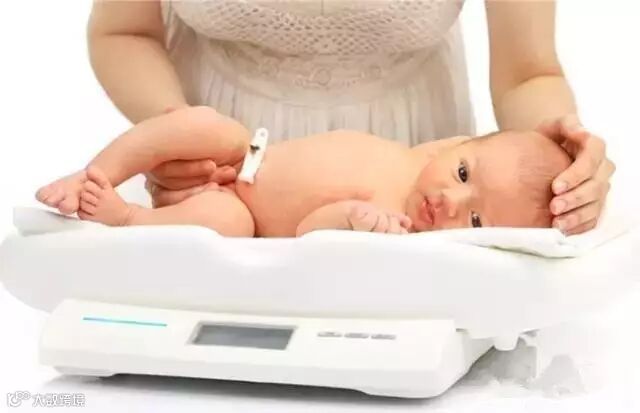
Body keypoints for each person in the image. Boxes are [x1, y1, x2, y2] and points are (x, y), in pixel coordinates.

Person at [87, 0, 614, 235]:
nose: (458, 198)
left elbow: (527, 72)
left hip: (409, 195)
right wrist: (174, 134)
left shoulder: (444, 198)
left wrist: (563, 174)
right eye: (462, 177)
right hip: (207, 165)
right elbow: (124, 30)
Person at [35, 106, 570, 237]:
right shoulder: (425, 154)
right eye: (463, 174)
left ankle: (127, 217)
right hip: (246, 153)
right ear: (457, 145)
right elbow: (507, 147)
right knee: (201, 123)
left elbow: (310, 231)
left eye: (475, 221)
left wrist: (352, 219)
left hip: (243, 210)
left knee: (227, 226)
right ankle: (94, 174)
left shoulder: (397, 228)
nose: (452, 201)